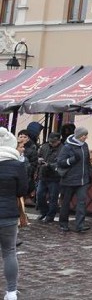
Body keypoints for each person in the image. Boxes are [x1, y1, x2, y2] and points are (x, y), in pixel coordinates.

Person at [0, 127, 26, 300]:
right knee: (9, 252)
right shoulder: (17, 165)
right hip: (8, 214)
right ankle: (11, 292)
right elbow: (22, 190)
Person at [56, 126, 91, 233]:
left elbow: (87, 161)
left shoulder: (85, 146)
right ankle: (63, 224)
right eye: (84, 135)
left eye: (86, 135)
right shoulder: (67, 147)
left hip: (82, 180)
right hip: (69, 180)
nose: (85, 137)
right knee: (66, 203)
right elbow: (60, 162)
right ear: (78, 136)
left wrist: (88, 174)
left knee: (81, 202)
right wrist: (72, 160)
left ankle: (80, 225)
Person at [35, 132, 62, 223]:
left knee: (53, 197)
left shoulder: (63, 149)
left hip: (55, 177)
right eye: (50, 141)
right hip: (43, 175)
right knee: (39, 195)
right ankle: (44, 212)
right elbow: (38, 156)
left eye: (53, 142)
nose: (51, 143)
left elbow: (61, 163)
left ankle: (50, 216)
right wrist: (39, 160)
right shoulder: (44, 146)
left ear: (59, 140)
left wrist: (50, 165)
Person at [14, 131, 36, 197]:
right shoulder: (11, 153)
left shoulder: (32, 149)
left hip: (24, 179)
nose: (22, 138)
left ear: (28, 138)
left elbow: (32, 166)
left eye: (25, 137)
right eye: (21, 137)